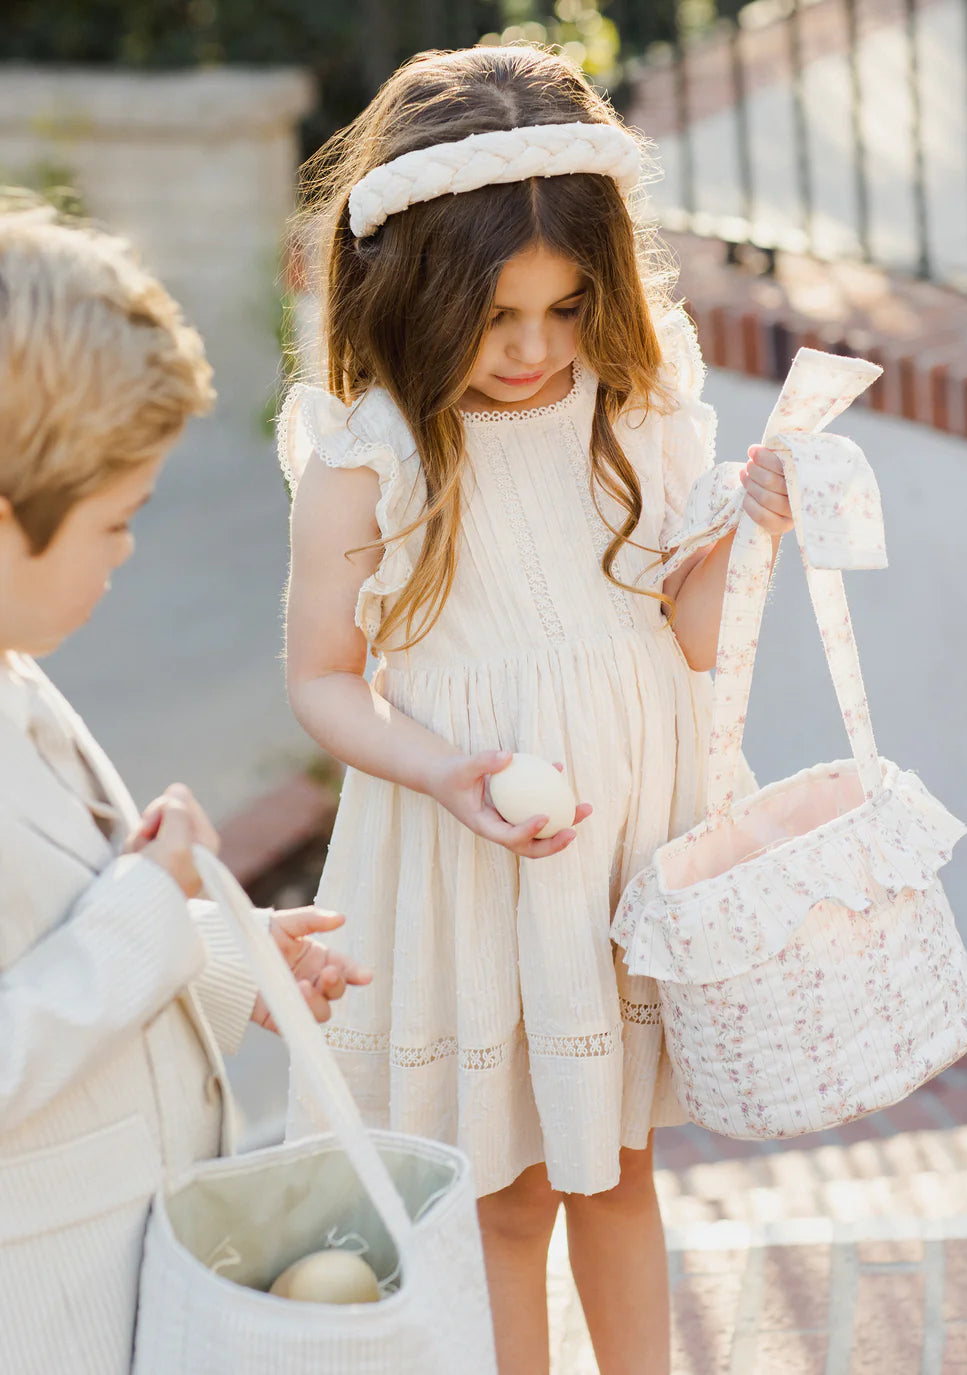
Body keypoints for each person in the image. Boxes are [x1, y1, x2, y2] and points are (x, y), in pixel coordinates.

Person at [279, 45, 792, 1375]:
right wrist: (444, 766)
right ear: (414, 291)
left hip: (620, 836)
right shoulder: (373, 447)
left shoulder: (641, 409)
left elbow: (682, 635)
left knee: (617, 1165)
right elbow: (325, 675)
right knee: (507, 1188)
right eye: (496, 315)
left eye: (566, 309)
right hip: (471, 848)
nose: (530, 349)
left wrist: (750, 525)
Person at [0, 202, 371, 1375]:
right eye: (115, 523)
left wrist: (216, 952)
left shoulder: (17, 668)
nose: (124, 557)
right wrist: (141, 915)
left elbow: (45, 949)